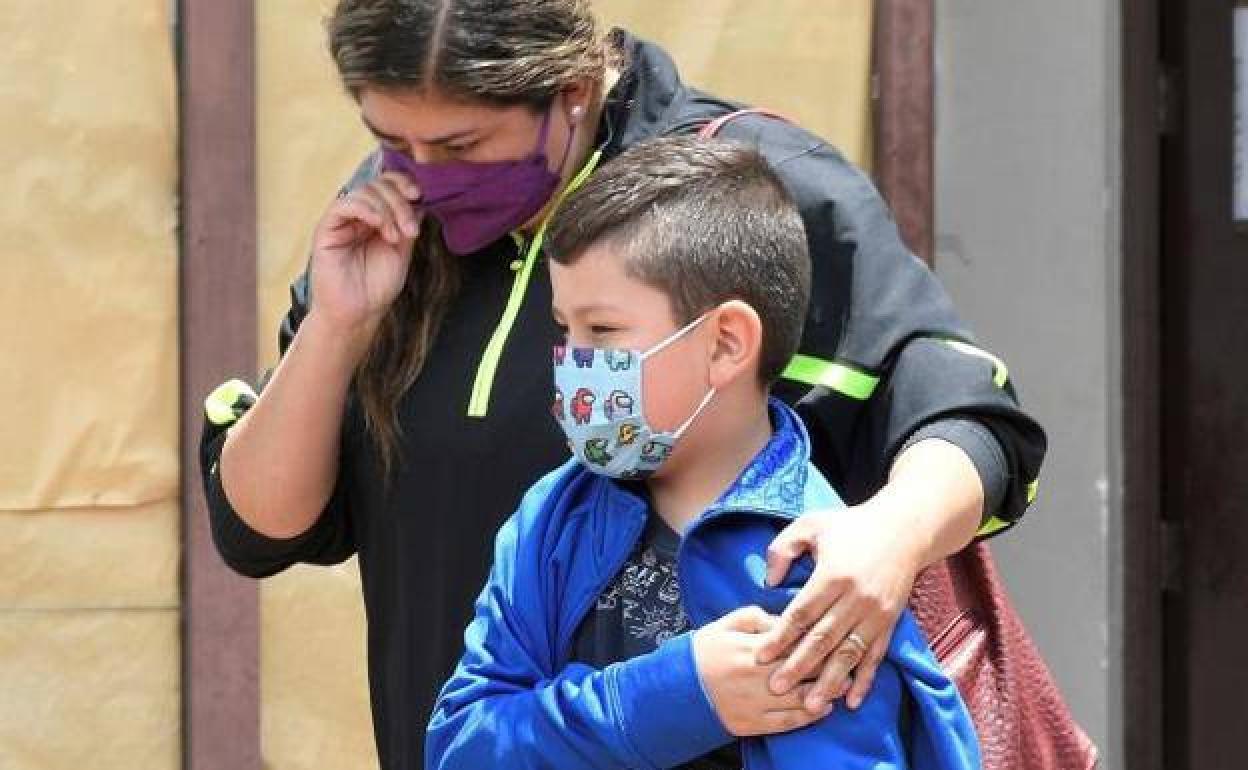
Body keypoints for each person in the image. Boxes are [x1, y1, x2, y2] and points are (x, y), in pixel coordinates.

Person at [199, 1, 1045, 767]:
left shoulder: (729, 193)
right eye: (392, 140)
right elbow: (261, 531)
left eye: (460, 147)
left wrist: (890, 540)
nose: (422, 175)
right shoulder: (394, 222)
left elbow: (964, 409)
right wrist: (339, 324)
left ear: (570, 89)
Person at [426, 135, 981, 770]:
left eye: (601, 331)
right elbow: (461, 744)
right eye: (564, 329)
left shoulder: (819, 574)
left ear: (726, 344)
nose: (573, 363)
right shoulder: (554, 514)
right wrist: (676, 696)